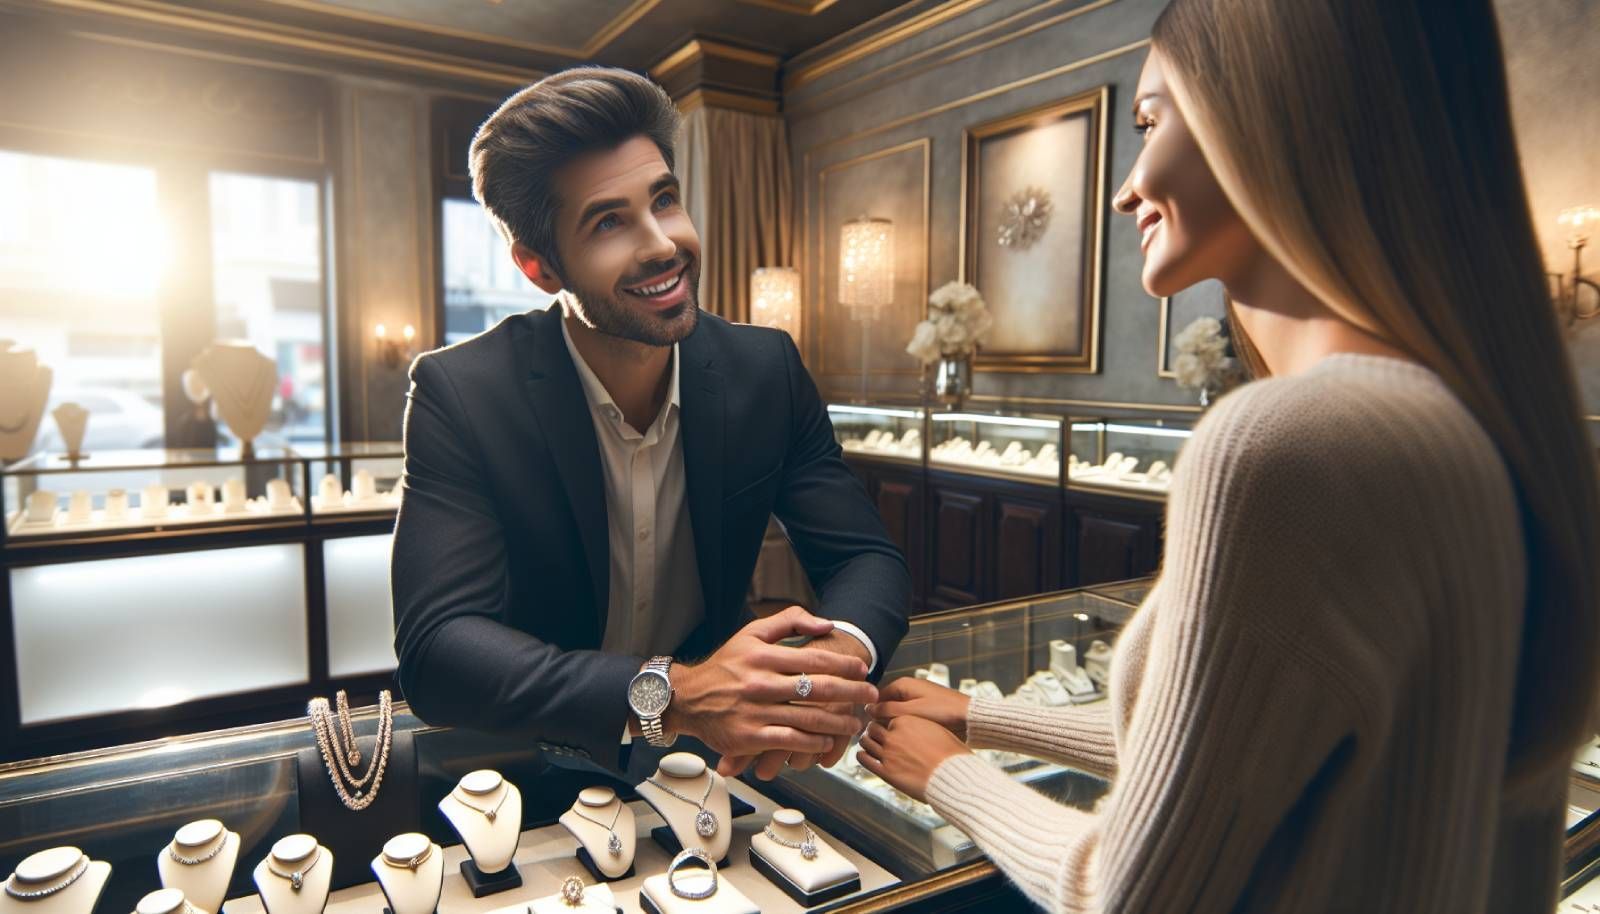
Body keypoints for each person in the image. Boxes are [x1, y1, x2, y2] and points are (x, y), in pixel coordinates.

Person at [857, 1, 1599, 910]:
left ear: (1270, 116)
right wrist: (983, 714)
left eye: (1150, 121)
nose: (1128, 188)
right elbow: (1239, 747)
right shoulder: (1476, 431)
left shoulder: (1282, 447)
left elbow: (1129, 895)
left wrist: (946, 774)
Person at [391, 66, 911, 781]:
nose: (663, 244)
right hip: (529, 765)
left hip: (717, 758)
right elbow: (439, 649)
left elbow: (865, 558)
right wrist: (676, 695)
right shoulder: (464, 392)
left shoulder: (766, 369)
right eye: (609, 221)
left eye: (664, 200)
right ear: (539, 266)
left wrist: (828, 672)